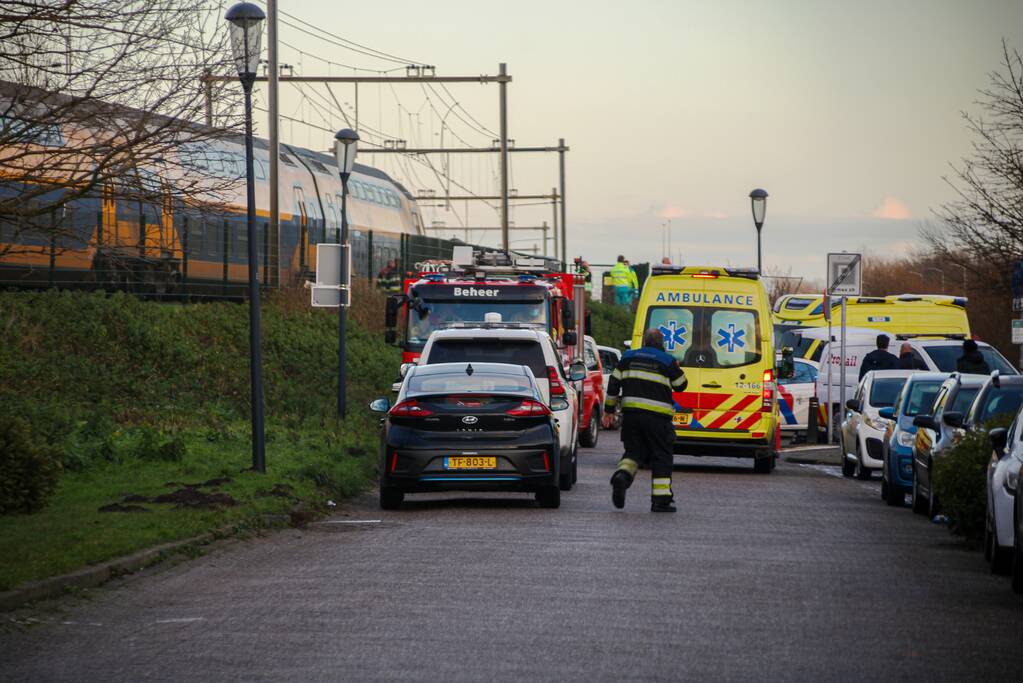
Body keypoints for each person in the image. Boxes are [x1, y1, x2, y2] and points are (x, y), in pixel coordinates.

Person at [604, 328, 688, 512]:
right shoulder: (667, 360)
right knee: (661, 455)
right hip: (658, 418)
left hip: (631, 416)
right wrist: (676, 367)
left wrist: (608, 411)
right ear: (661, 343)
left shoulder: (627, 357)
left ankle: (622, 476)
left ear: (644, 341)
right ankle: (660, 501)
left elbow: (613, 384)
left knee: (633, 453)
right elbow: (681, 385)